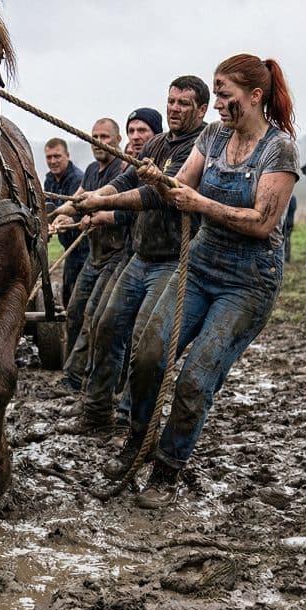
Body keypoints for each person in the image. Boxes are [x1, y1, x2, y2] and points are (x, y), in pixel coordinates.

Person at [108, 54, 299, 507]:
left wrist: (199, 203)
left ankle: (167, 471)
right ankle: (139, 438)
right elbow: (175, 191)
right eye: (215, 93)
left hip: (248, 282)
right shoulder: (212, 137)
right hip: (200, 264)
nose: (217, 104)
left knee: (196, 378)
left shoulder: (280, 149)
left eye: (225, 94)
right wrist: (131, 192)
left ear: (254, 96)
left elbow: (260, 221)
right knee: (149, 350)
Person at [74, 78, 209, 430]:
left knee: (144, 342)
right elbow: (126, 181)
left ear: (202, 109)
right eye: (171, 101)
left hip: (172, 260)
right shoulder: (159, 143)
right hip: (140, 256)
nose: (175, 108)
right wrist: (92, 195)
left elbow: (154, 195)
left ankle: (130, 418)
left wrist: (100, 202)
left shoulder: (200, 146)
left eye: (184, 103)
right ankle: (96, 412)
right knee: (106, 326)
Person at [50, 119, 127, 392]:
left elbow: (127, 211)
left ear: (118, 139)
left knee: (95, 317)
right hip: (94, 256)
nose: (98, 141)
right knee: (74, 312)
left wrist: (97, 217)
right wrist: (56, 217)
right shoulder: (93, 170)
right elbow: (78, 201)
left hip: (117, 256)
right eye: (94, 136)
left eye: (104, 136)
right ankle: (74, 371)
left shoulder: (123, 169)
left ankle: (81, 378)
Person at [43, 138, 85, 305]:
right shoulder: (49, 180)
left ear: (67, 155)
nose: (53, 161)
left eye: (57, 156)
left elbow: (83, 211)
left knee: (79, 296)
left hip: (84, 246)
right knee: (68, 295)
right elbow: (48, 210)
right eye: (49, 157)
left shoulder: (78, 179)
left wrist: (68, 221)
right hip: (69, 248)